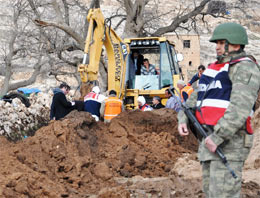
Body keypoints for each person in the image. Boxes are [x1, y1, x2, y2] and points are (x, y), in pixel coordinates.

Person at [178, 22, 260, 198]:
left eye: (222, 43)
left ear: (236, 44)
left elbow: (240, 108)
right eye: (217, 43)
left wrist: (218, 136)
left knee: (223, 194)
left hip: (229, 144)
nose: (217, 47)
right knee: (211, 193)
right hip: (209, 141)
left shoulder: (244, 67)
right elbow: (194, 98)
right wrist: (183, 119)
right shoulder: (213, 69)